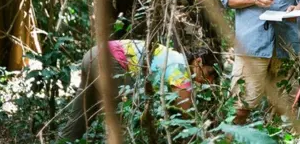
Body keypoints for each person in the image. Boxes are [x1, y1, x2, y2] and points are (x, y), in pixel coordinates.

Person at [59, 40, 218, 141]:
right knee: (129, 116)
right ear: (198, 62)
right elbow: (186, 114)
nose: (210, 82)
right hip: (110, 60)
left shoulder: (174, 57)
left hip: (94, 54)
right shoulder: (181, 70)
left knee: (79, 119)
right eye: (210, 74)